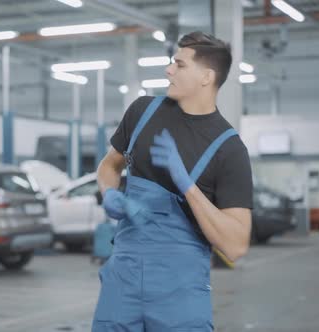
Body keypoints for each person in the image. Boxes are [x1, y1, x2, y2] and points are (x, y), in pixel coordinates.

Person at [92, 31, 253, 332]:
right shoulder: (142, 112)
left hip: (178, 295)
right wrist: (108, 192)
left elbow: (235, 246)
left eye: (179, 65)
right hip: (122, 283)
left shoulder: (229, 149)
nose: (168, 70)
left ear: (206, 77)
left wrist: (186, 184)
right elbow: (108, 166)